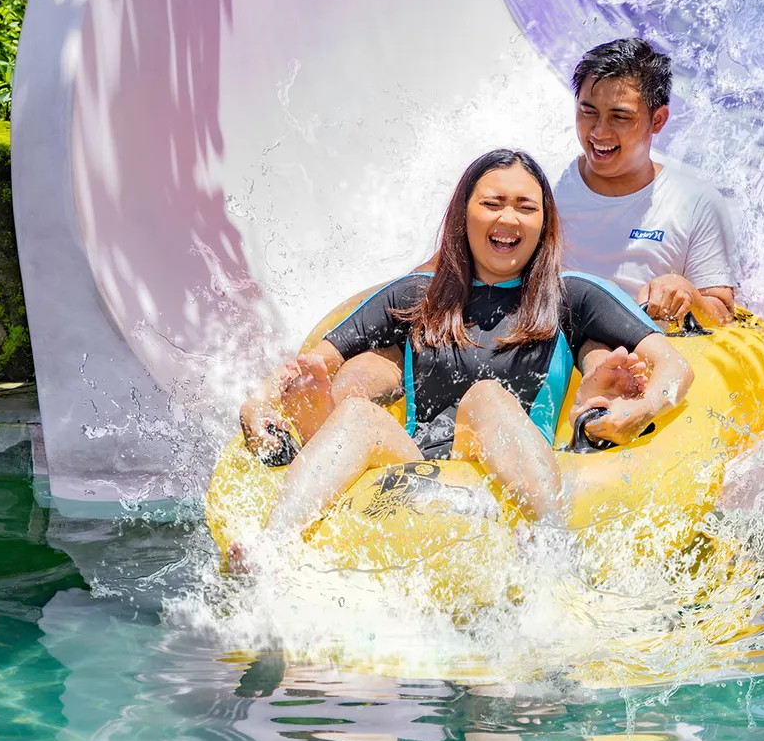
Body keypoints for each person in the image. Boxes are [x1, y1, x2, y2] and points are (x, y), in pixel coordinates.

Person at [236, 149, 694, 552]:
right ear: (463, 215)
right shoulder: (417, 295)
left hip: (518, 473)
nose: (508, 219)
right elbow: (313, 363)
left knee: (486, 396)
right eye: (492, 204)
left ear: (544, 223)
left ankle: (552, 549)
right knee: (357, 414)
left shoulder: (572, 296)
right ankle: (271, 551)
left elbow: (674, 365)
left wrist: (645, 408)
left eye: (525, 207)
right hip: (419, 472)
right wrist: (261, 400)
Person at [554, 38, 738, 328]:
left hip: (648, 359)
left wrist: (687, 292)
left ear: (658, 120)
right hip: (564, 355)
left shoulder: (695, 203)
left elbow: (724, 317)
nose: (599, 132)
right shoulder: (546, 189)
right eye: (588, 112)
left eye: (620, 117)